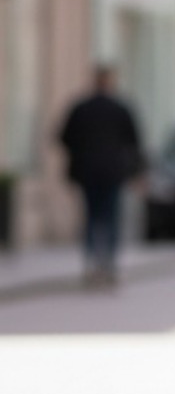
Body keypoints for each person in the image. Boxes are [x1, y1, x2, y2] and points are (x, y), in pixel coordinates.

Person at [57, 64, 145, 287]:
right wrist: (136, 171)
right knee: (110, 218)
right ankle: (107, 265)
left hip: (88, 172)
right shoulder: (119, 108)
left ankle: (92, 264)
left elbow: (64, 137)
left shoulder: (81, 108)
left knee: (92, 217)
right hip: (112, 173)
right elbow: (134, 142)